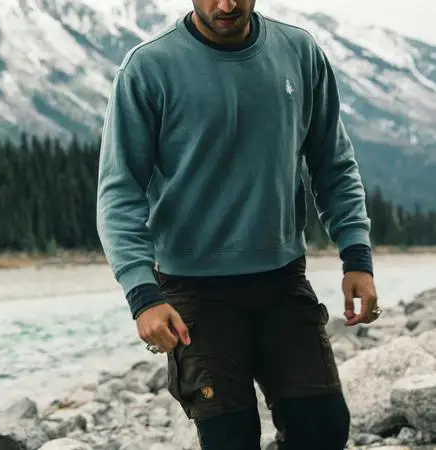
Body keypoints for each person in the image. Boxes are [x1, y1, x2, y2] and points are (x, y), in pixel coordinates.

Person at [95, 0, 381, 448]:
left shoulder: (299, 51)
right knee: (230, 439)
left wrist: (357, 257)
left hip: (283, 282)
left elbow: (332, 164)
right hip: (194, 291)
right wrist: (141, 293)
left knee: (323, 430)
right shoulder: (148, 68)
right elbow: (119, 190)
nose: (226, 5)